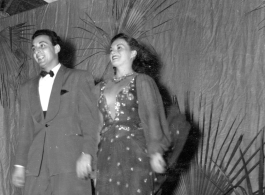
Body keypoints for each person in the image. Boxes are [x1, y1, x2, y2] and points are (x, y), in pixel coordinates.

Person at [12, 29, 99, 195]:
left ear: (57, 48)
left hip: (70, 163)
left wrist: (87, 154)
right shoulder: (26, 88)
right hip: (35, 168)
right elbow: (24, 131)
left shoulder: (79, 78)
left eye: (42, 45)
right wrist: (19, 165)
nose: (37, 51)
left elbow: (91, 122)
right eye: (34, 48)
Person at [95, 33, 171, 195]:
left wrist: (156, 152)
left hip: (135, 152)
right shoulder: (100, 88)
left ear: (133, 54)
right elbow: (95, 126)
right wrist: (92, 159)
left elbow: (152, 117)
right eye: (111, 49)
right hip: (106, 155)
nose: (113, 51)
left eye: (119, 48)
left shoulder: (142, 81)